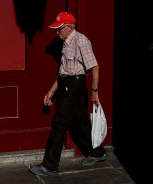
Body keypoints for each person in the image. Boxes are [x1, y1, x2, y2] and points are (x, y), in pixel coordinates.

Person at [29, 12, 107, 176]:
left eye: (59, 28)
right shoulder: (65, 42)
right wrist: (51, 91)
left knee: (59, 122)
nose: (57, 32)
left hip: (75, 84)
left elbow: (95, 67)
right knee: (79, 120)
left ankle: (49, 166)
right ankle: (98, 152)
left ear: (69, 27)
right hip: (65, 84)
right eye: (56, 28)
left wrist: (94, 92)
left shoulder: (81, 41)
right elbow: (63, 72)